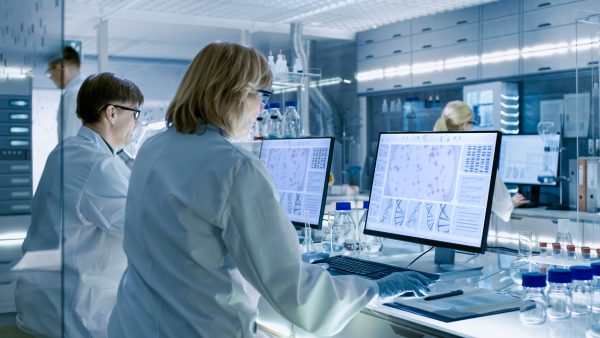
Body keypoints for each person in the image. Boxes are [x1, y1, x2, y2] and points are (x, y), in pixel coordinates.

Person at [108, 42, 433, 338]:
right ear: (235, 93)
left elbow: (187, 245)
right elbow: (293, 290)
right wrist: (374, 288)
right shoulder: (235, 166)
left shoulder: (154, 147)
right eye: (261, 96)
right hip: (199, 328)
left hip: (134, 323)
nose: (262, 110)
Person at [15, 72, 144, 337]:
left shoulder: (66, 150)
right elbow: (139, 228)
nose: (136, 124)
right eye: (135, 114)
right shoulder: (99, 164)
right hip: (78, 312)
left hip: (42, 301)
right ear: (112, 113)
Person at [433, 100, 529, 222]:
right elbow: (498, 200)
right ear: (463, 125)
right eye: (472, 122)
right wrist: (512, 202)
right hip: (466, 224)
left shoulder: (435, 151)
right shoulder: (476, 154)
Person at [46, 46, 85, 140]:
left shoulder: (74, 94)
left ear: (59, 68)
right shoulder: (86, 88)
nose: (51, 77)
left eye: (50, 72)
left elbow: (70, 139)